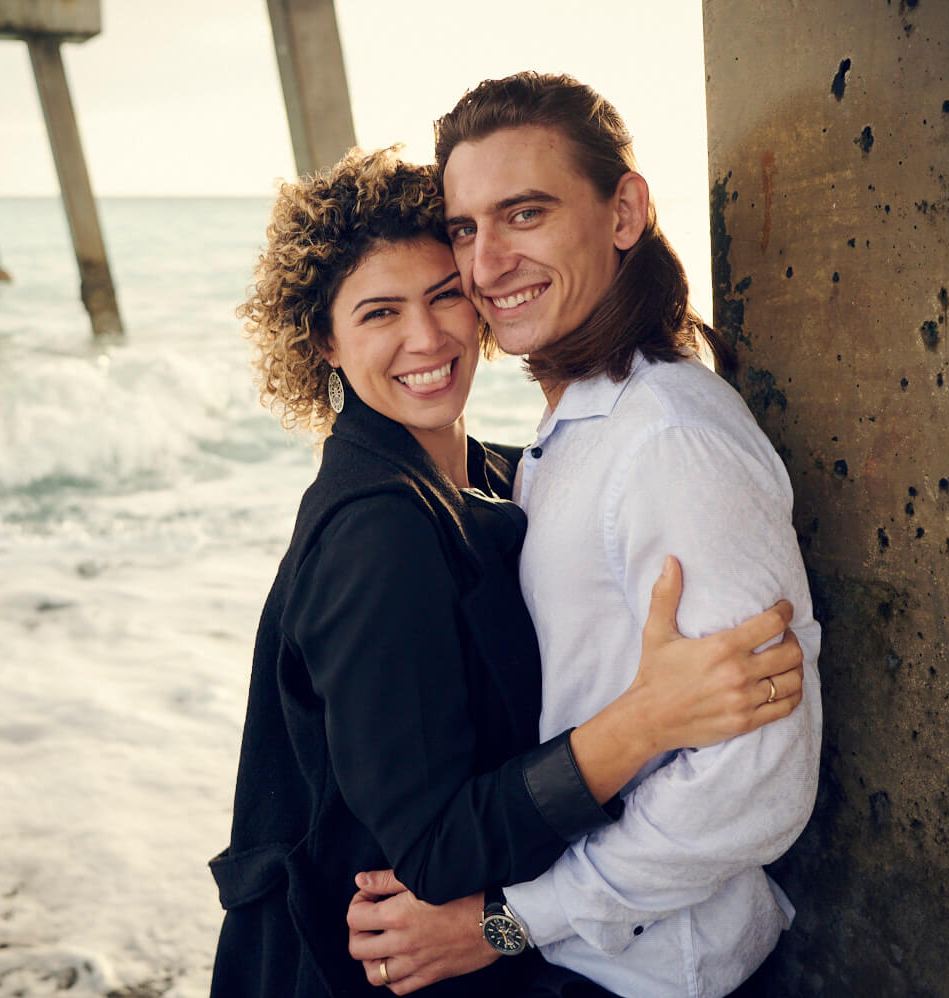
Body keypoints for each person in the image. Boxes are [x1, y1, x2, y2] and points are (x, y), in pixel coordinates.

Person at [209, 146, 805, 997]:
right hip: (374, 969)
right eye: (380, 314)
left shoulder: (498, 471)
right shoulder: (377, 534)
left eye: (444, 294)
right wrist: (643, 722)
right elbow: (435, 848)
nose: (426, 338)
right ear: (325, 344)